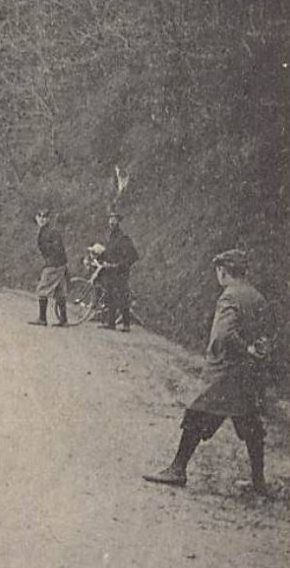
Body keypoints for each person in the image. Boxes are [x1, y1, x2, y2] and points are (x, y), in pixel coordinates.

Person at [145, 250, 272, 496]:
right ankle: (259, 483)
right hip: (247, 374)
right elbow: (265, 335)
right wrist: (255, 351)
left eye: (218, 271)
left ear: (223, 271)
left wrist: (241, 348)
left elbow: (222, 335)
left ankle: (177, 469)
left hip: (224, 373)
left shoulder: (229, 297)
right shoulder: (257, 297)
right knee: (251, 426)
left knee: (196, 414)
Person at [98, 210, 139, 331]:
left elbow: (133, 256)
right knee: (110, 295)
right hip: (110, 271)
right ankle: (111, 323)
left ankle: (126, 325)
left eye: (114, 219)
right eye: (110, 219)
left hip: (120, 272)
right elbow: (108, 252)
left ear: (118, 222)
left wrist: (119, 265)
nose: (111, 222)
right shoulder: (110, 237)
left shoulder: (123, 238)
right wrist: (100, 258)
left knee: (122, 297)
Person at [30, 208, 69, 327]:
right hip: (58, 263)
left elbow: (57, 249)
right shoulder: (45, 231)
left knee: (42, 289)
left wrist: (51, 263)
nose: (42, 219)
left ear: (48, 219)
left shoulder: (51, 232)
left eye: (44, 217)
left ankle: (42, 318)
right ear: (36, 218)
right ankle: (63, 319)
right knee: (59, 291)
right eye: (39, 216)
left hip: (54, 264)